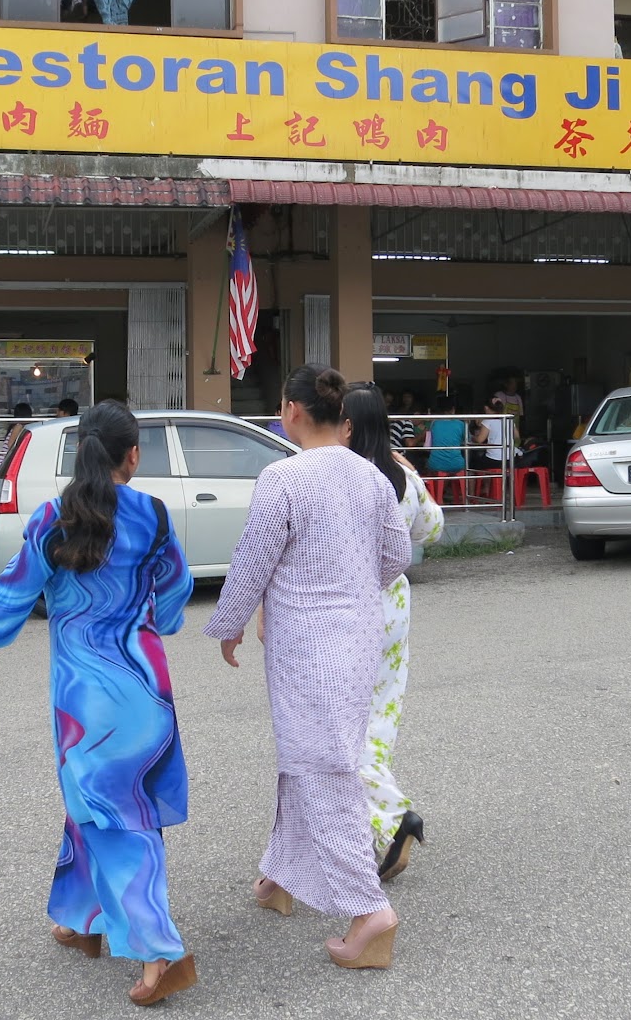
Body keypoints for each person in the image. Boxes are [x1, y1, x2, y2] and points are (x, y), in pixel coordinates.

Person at [0, 401, 197, 1006]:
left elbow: (11, 594)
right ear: (131, 456)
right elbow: (175, 594)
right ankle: (84, 921)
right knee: (103, 807)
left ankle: (161, 952)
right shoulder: (155, 516)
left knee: (112, 816)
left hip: (82, 702)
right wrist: (148, 622)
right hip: (144, 689)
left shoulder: (50, 520)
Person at [204, 364, 412, 971]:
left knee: (324, 762)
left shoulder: (283, 477)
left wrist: (229, 623)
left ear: (291, 411)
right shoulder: (369, 476)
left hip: (307, 647)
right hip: (357, 637)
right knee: (309, 752)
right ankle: (280, 878)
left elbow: (252, 561)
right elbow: (398, 553)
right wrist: (354, 589)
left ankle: (369, 910)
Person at [341, 384, 443, 881]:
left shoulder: (342, 477)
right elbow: (431, 530)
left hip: (348, 610)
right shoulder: (402, 473)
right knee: (378, 721)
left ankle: (394, 816)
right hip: (395, 606)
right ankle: (366, 826)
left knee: (337, 729)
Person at [423, 397, 467, 476]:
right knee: (469, 471)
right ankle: (464, 488)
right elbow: (467, 440)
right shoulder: (460, 424)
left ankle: (436, 488)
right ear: (453, 409)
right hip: (457, 463)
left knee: (428, 466)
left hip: (435, 464)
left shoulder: (434, 423)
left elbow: (429, 443)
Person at [0, 402, 35, 474]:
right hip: (4, 465)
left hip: (3, 465)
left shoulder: (18, 426)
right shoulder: (18, 426)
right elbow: (10, 444)